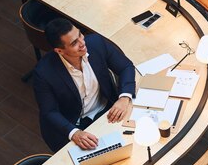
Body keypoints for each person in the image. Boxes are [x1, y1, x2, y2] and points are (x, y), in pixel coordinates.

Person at [33, 18, 136, 152]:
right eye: (74, 43)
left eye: (80, 35)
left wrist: (124, 97)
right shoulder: (43, 73)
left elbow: (125, 67)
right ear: (59, 51)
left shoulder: (96, 42)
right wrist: (74, 133)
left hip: (107, 112)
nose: (82, 43)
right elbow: (49, 112)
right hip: (72, 125)